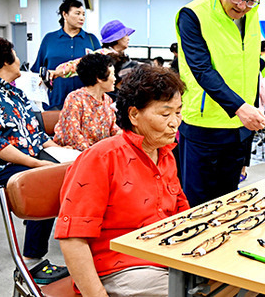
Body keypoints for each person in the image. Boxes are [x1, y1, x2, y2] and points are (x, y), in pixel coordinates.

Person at [55, 66, 189, 296]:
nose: (175, 122)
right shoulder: (101, 159)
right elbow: (72, 239)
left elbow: (181, 213)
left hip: (167, 254)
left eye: (178, 112)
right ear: (134, 115)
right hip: (121, 267)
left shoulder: (165, 154)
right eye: (165, 114)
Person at [175, 0, 265, 206]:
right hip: (204, 128)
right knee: (197, 208)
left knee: (228, 205)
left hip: (239, 129)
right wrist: (240, 108)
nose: (242, 6)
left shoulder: (252, 14)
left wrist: (252, 112)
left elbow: (250, 67)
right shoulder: (193, 14)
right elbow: (202, 69)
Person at [0, 36, 68, 284]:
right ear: (6, 60)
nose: (19, 59)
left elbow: (35, 133)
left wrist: (60, 151)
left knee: (75, 168)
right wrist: (37, 164)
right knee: (47, 181)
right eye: (15, 54)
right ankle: (31, 262)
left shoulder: (14, 92)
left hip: (24, 156)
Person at [31, 0, 101, 110]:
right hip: (55, 102)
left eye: (83, 14)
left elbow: (101, 69)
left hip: (86, 102)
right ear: (65, 14)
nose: (82, 17)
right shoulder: (49, 39)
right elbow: (38, 69)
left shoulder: (91, 40)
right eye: (77, 13)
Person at [53, 53, 120, 151]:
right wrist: (96, 154)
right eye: (112, 75)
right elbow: (73, 138)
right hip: (76, 154)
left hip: (99, 153)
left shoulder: (107, 99)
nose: (115, 79)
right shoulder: (75, 99)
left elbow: (113, 129)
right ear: (99, 78)